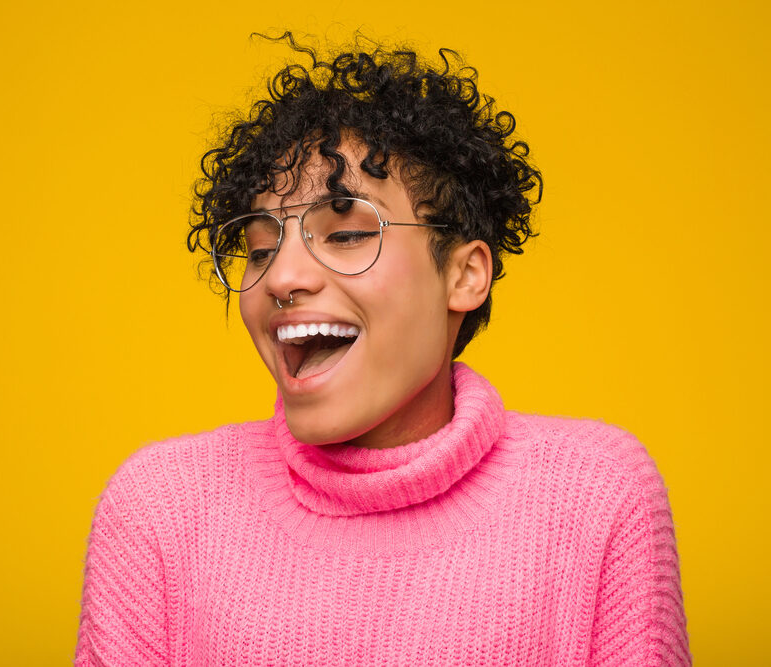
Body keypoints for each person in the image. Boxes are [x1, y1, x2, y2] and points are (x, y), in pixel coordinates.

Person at [75, 34, 690, 665]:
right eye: (260, 248)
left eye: (343, 234)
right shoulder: (157, 513)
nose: (281, 278)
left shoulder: (598, 499)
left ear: (464, 276)